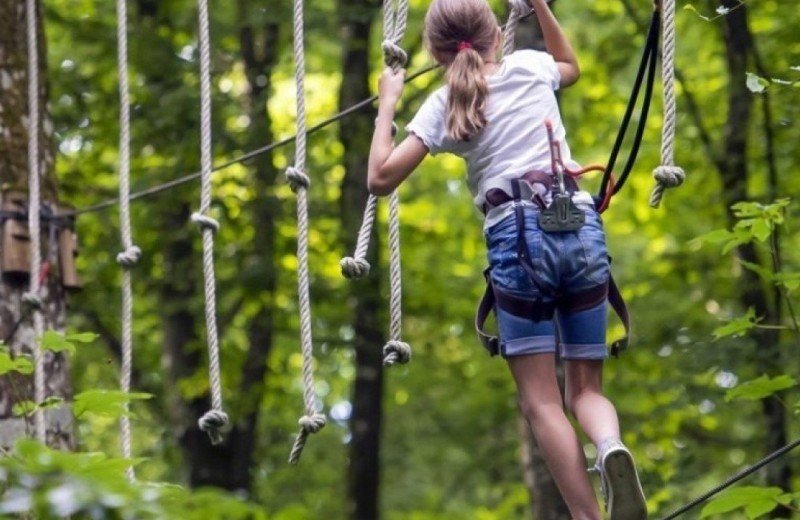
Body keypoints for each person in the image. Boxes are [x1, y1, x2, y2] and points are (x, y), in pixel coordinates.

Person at [367, 0, 647, 518]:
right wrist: (539, 5)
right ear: (498, 33)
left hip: (517, 238)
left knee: (542, 400)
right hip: (578, 225)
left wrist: (388, 104)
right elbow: (571, 67)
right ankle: (610, 445)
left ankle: (588, 516)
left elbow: (380, 178)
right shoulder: (529, 67)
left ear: (436, 51)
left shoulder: (444, 103)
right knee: (585, 389)